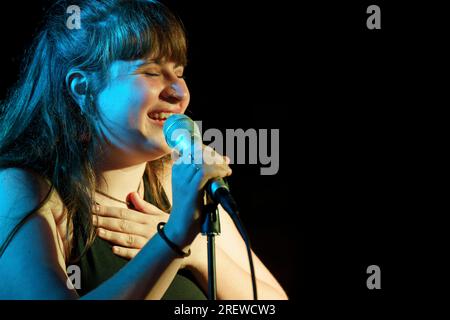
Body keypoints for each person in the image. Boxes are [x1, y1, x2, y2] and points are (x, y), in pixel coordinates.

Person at [0, 0, 287, 299]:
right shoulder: (21, 190)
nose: (179, 93)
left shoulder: (174, 185)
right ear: (82, 88)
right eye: (150, 72)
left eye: (179, 72)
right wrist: (174, 239)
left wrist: (199, 250)